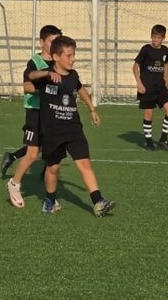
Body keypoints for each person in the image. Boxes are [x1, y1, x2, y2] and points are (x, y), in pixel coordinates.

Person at [28, 35, 115, 217]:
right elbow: (30, 76)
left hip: (73, 129)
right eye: (68, 56)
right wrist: (45, 74)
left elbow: (80, 89)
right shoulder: (46, 75)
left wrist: (92, 109)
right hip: (52, 131)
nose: (72, 59)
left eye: (74, 55)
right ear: (55, 57)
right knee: (53, 167)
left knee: (84, 163)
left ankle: (98, 202)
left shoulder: (73, 75)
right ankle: (49, 201)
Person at [1, 24, 60, 208]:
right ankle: (14, 183)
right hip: (35, 111)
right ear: (42, 42)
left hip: (53, 112)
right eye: (51, 41)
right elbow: (27, 85)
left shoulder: (58, 62)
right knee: (33, 154)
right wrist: (44, 89)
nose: (55, 45)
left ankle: (50, 196)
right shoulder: (35, 62)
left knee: (52, 155)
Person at [132, 23, 168, 151]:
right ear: (151, 36)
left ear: (163, 38)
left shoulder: (165, 50)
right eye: (154, 37)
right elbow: (135, 67)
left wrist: (166, 78)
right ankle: (149, 141)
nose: (156, 40)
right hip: (147, 87)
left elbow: (166, 64)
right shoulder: (146, 49)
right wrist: (139, 83)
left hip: (160, 87)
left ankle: (163, 140)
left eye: (159, 37)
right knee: (149, 114)